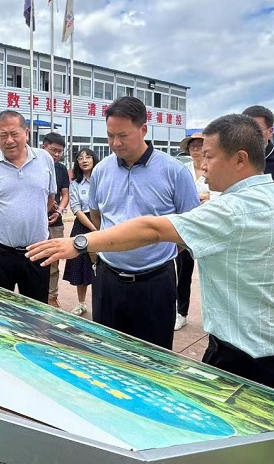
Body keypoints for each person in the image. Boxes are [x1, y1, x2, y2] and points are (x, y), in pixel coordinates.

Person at [27, 113, 274, 396]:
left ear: (240, 159)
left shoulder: (233, 209)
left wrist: (79, 243)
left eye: (209, 156)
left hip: (245, 356)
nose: (203, 166)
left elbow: (152, 229)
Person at [54, 97, 200, 348]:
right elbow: (98, 217)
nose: (115, 143)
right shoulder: (102, 170)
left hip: (156, 282)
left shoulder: (174, 171)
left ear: (143, 129)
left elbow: (190, 226)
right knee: (107, 351)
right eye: (110, 136)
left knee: (153, 355)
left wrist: (158, 251)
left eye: (123, 135)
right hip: (108, 280)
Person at [0, 110, 56, 302]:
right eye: (3, 135)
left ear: (26, 133)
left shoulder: (44, 159)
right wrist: (2, 218)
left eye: (14, 134)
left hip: (37, 251)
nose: (9, 140)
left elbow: (49, 199)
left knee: (35, 309)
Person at [174, 132, 210, 331]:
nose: (196, 149)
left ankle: (213, 316)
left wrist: (205, 197)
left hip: (208, 227)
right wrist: (201, 197)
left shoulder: (212, 168)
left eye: (200, 145)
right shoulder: (183, 170)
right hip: (187, 226)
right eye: (192, 145)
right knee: (183, 272)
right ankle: (181, 312)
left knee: (211, 274)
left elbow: (218, 194)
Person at [62, 148, 100, 316]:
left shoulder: (102, 179)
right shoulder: (75, 184)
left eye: (88, 157)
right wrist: (93, 228)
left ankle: (101, 302)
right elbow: (76, 209)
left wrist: (99, 227)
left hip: (102, 222)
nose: (84, 160)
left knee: (103, 265)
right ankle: (81, 303)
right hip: (83, 224)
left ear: (94, 160)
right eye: (80, 158)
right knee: (81, 264)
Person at [41, 132, 70, 307]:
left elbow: (65, 194)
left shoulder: (61, 169)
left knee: (53, 260)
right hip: (36, 222)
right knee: (33, 258)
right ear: (43, 147)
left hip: (54, 222)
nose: (56, 154)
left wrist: (58, 211)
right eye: (53, 150)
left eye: (60, 152)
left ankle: (52, 297)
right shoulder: (33, 165)